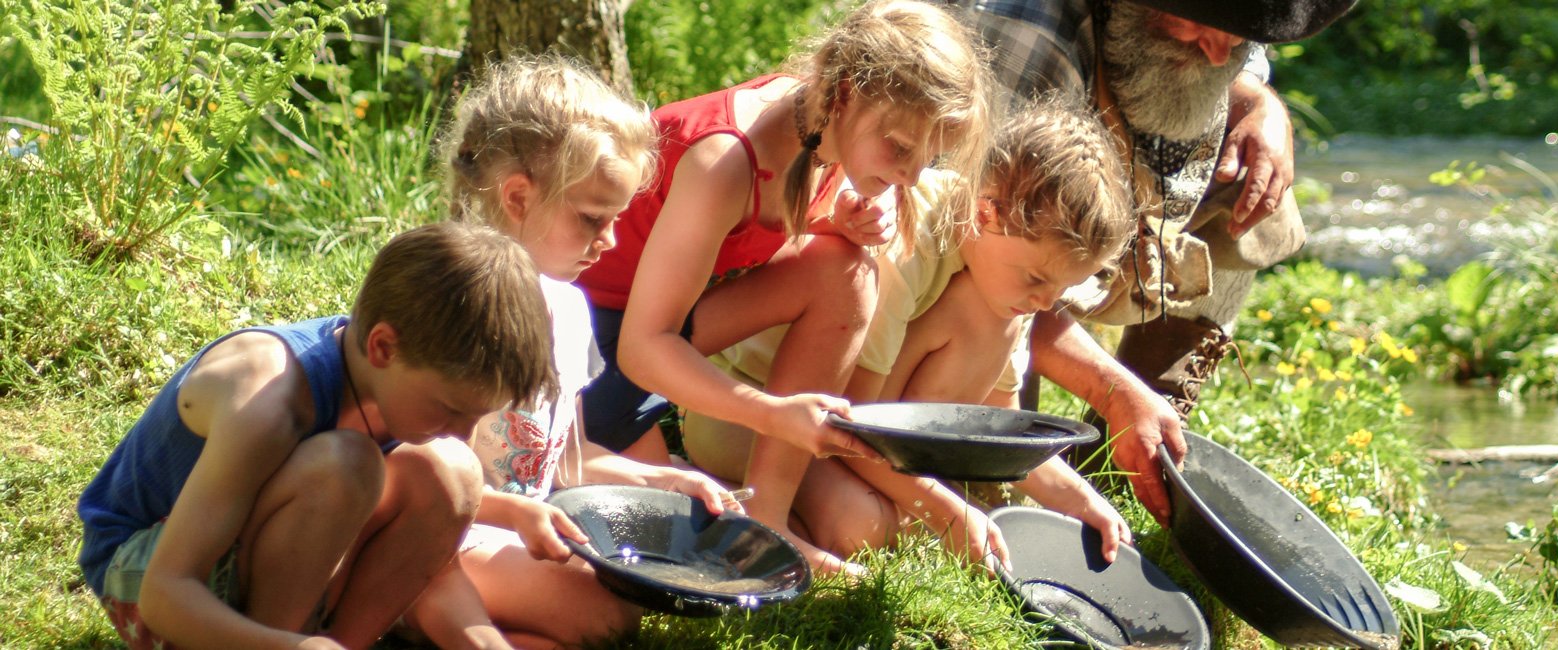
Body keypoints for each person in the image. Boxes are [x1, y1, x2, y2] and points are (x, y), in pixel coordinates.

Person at [572, 0, 994, 575]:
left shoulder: (821, 126)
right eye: (899, 148)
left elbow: (754, 232)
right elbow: (643, 347)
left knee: (846, 269)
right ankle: (706, 490)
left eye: (928, 158)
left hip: (653, 330)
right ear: (844, 91)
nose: (911, 177)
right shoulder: (724, 161)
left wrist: (830, 222)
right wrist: (770, 414)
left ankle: (766, 517)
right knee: (645, 536)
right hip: (583, 348)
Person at [682, 101, 1137, 566]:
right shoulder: (905, 245)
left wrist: (1082, 501)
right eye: (1037, 280)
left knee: (990, 320)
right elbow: (855, 427)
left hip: (841, 430)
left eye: (1061, 288)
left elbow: (1000, 421)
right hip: (753, 417)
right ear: (986, 214)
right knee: (863, 530)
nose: (1045, 302)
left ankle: (870, 507)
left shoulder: (1005, 284)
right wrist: (945, 511)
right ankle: (712, 498)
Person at [396, 56, 745, 650]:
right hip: (438, 540)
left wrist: (661, 478)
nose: (609, 241)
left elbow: (564, 462)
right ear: (517, 197)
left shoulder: (568, 308)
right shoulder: (452, 304)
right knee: (603, 614)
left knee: (589, 622)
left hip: (521, 534)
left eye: (615, 220)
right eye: (591, 218)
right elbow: (407, 471)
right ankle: (406, 612)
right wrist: (515, 518)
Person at [957, 0, 1352, 524]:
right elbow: (962, 255)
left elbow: (1238, 53)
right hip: (972, 261)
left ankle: (1129, 441)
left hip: (1111, 208)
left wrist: (1262, 104)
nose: (1218, 54)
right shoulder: (1025, 38)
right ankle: (1020, 433)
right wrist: (1110, 388)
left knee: (1254, 179)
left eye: (1236, 35)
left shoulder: (1213, 35)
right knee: (993, 488)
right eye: (1197, 25)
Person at [75, 222, 558, 649]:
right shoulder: (268, 402)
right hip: (146, 575)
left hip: (233, 559)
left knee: (454, 472)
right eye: (452, 409)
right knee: (346, 465)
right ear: (384, 346)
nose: (463, 430)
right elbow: (166, 595)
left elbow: (428, 518)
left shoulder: (391, 382)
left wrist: (512, 510)